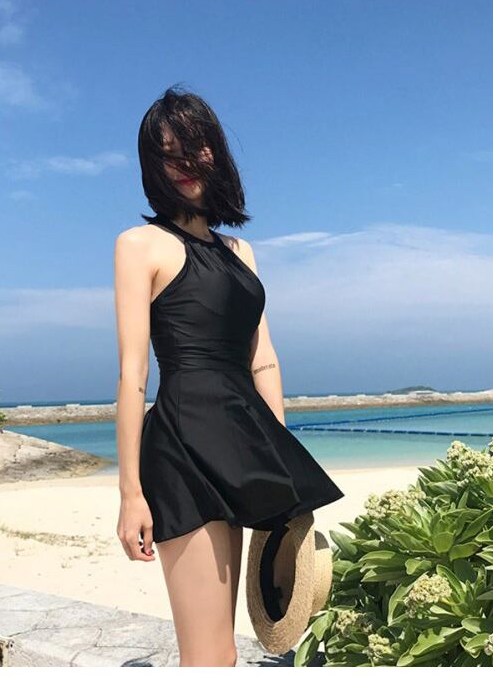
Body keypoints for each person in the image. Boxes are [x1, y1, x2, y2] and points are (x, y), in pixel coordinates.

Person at [113, 86, 344, 667]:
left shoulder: (240, 251)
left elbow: (263, 358)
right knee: (208, 656)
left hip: (240, 444)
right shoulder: (140, 245)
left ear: (215, 150)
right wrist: (130, 494)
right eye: (168, 153)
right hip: (182, 450)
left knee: (228, 656)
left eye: (195, 147)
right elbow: (133, 375)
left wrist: (278, 457)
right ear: (152, 165)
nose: (184, 164)